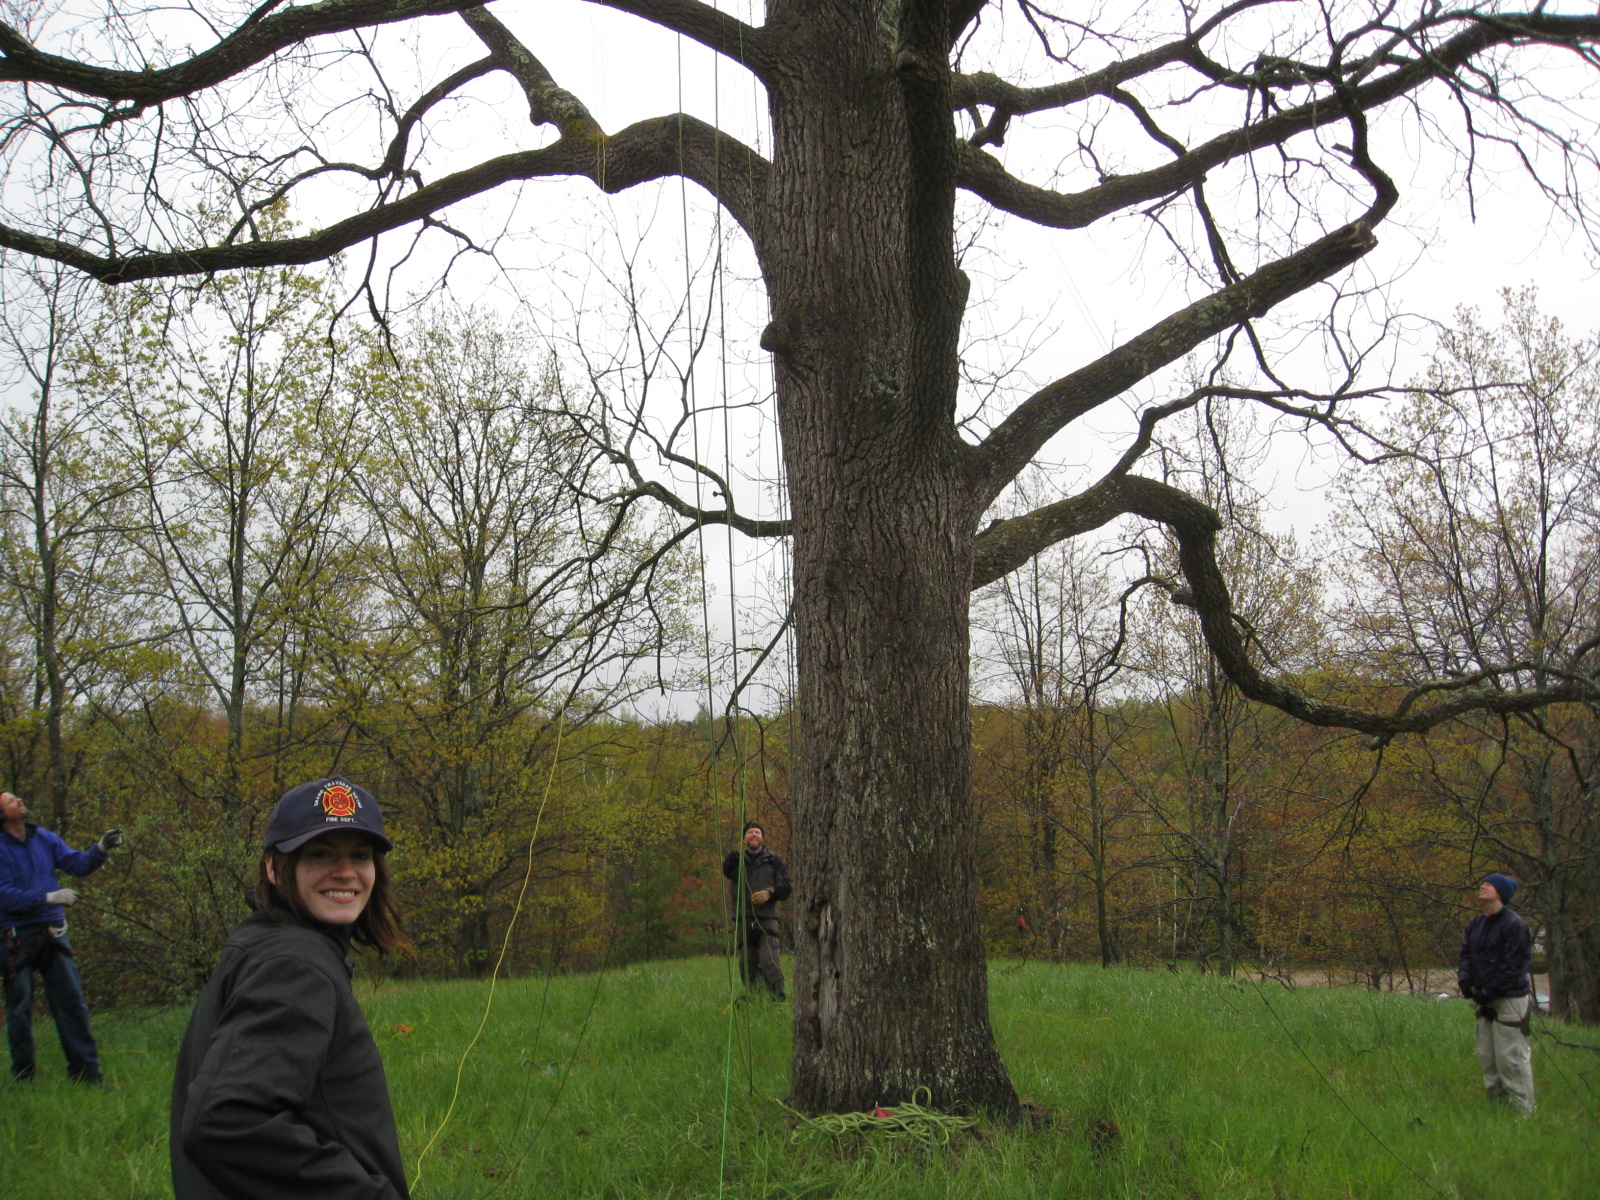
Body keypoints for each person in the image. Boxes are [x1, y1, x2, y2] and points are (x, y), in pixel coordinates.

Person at [171, 778, 411, 1199]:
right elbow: (226, 1121)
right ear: (274, 867)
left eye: (360, 854)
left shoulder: (266, 942)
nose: (346, 872)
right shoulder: (294, 966)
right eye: (321, 854)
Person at [0, 788, 121, 1083]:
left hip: (53, 933)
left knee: (71, 1001)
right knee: (20, 1007)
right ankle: (24, 1077)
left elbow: (77, 865)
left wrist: (101, 848)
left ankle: (87, 1073)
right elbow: (3, 895)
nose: (19, 800)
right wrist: (48, 898)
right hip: (15, 937)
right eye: (10, 800)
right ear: (2, 814)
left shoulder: (44, 838)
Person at [1458, 872, 1535, 1115]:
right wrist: (1465, 981)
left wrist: (1490, 990)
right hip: (1483, 999)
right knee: (1488, 1057)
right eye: (1483, 883)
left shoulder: (1515, 925)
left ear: (1500, 893)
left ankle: (1523, 1114)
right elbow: (1466, 955)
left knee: (1510, 1059)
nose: (1482, 887)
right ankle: (1499, 1111)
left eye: (1488, 885)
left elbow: (1513, 966)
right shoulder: (1476, 924)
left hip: (1509, 1000)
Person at [721, 820, 791, 1000]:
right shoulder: (736, 859)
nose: (753, 835)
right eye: (750, 833)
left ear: (763, 839)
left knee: (770, 963)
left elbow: (786, 887)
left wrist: (770, 893)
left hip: (766, 920)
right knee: (747, 965)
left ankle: (777, 1000)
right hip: (743, 919)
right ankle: (756, 998)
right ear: (744, 839)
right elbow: (726, 871)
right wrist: (735, 854)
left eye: (757, 833)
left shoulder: (774, 860)